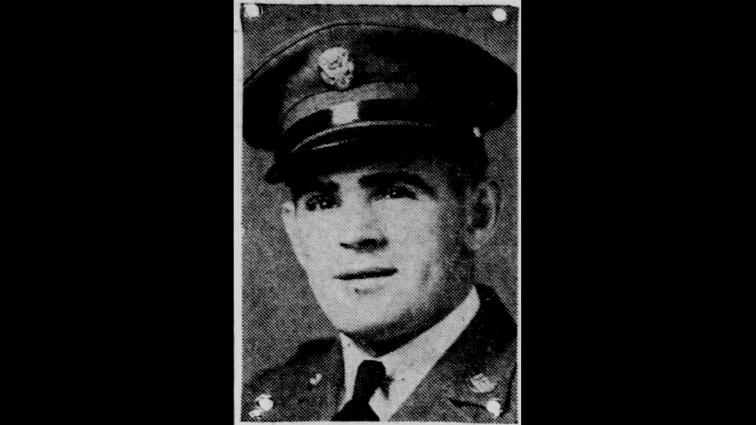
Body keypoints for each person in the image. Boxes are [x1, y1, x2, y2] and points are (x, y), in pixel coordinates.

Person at [241, 22, 518, 422]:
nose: (356, 235)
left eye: (394, 192)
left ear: (478, 215)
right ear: (296, 233)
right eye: (322, 202)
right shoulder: (264, 404)